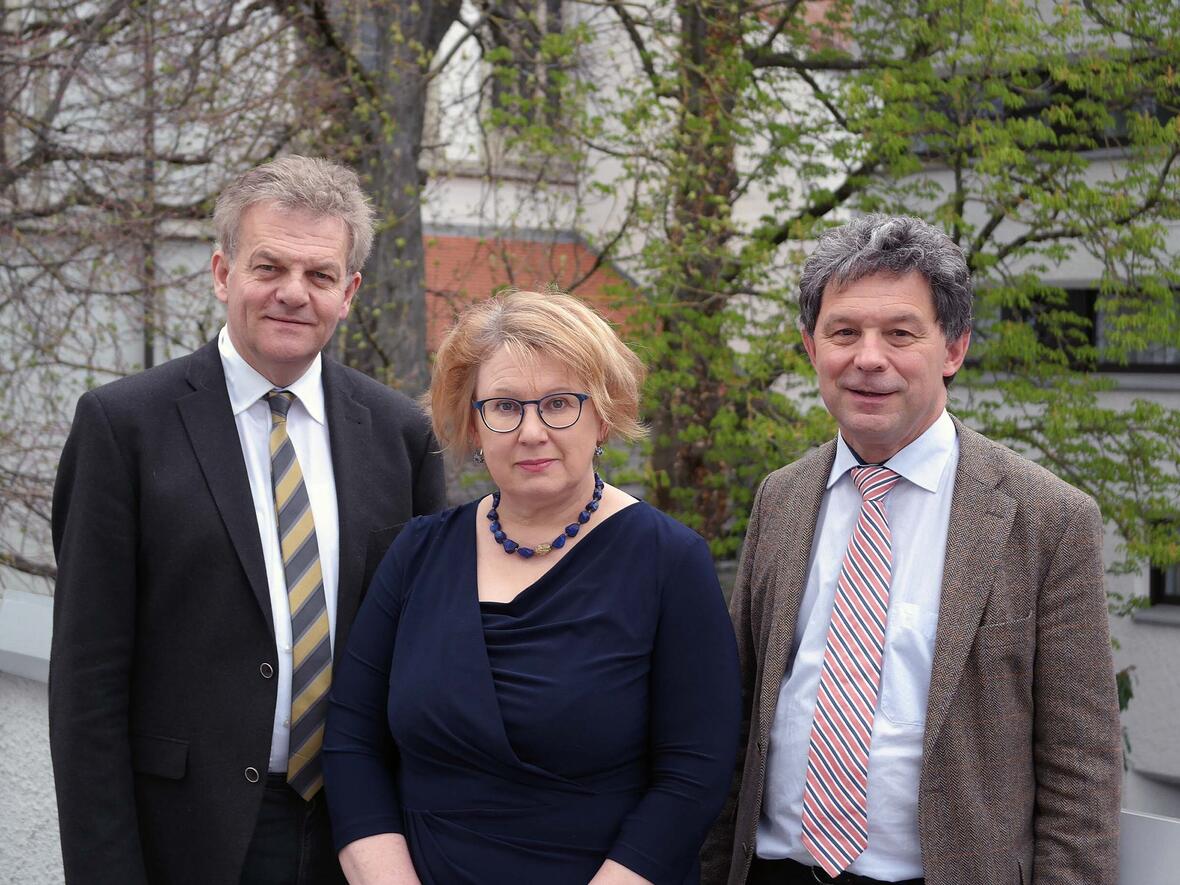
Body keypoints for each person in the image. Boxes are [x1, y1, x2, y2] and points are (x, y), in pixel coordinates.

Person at [49, 155, 447, 885]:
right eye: (269, 267)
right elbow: (87, 682)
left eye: (320, 275)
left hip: (362, 835)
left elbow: (428, 658)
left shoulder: (400, 436)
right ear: (221, 272)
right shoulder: (124, 427)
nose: (293, 293)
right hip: (188, 839)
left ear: (350, 291)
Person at [701, 215, 1121, 885]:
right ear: (812, 347)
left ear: (952, 348)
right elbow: (735, 715)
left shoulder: (1048, 519)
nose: (869, 357)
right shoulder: (780, 499)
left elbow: (1083, 773)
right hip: (775, 869)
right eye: (844, 332)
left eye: (900, 333)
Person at [322, 288, 741, 884]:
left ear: (602, 412)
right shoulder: (415, 554)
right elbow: (352, 743)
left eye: (559, 403)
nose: (532, 431)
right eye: (505, 407)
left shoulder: (670, 561)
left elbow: (693, 776)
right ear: (473, 423)